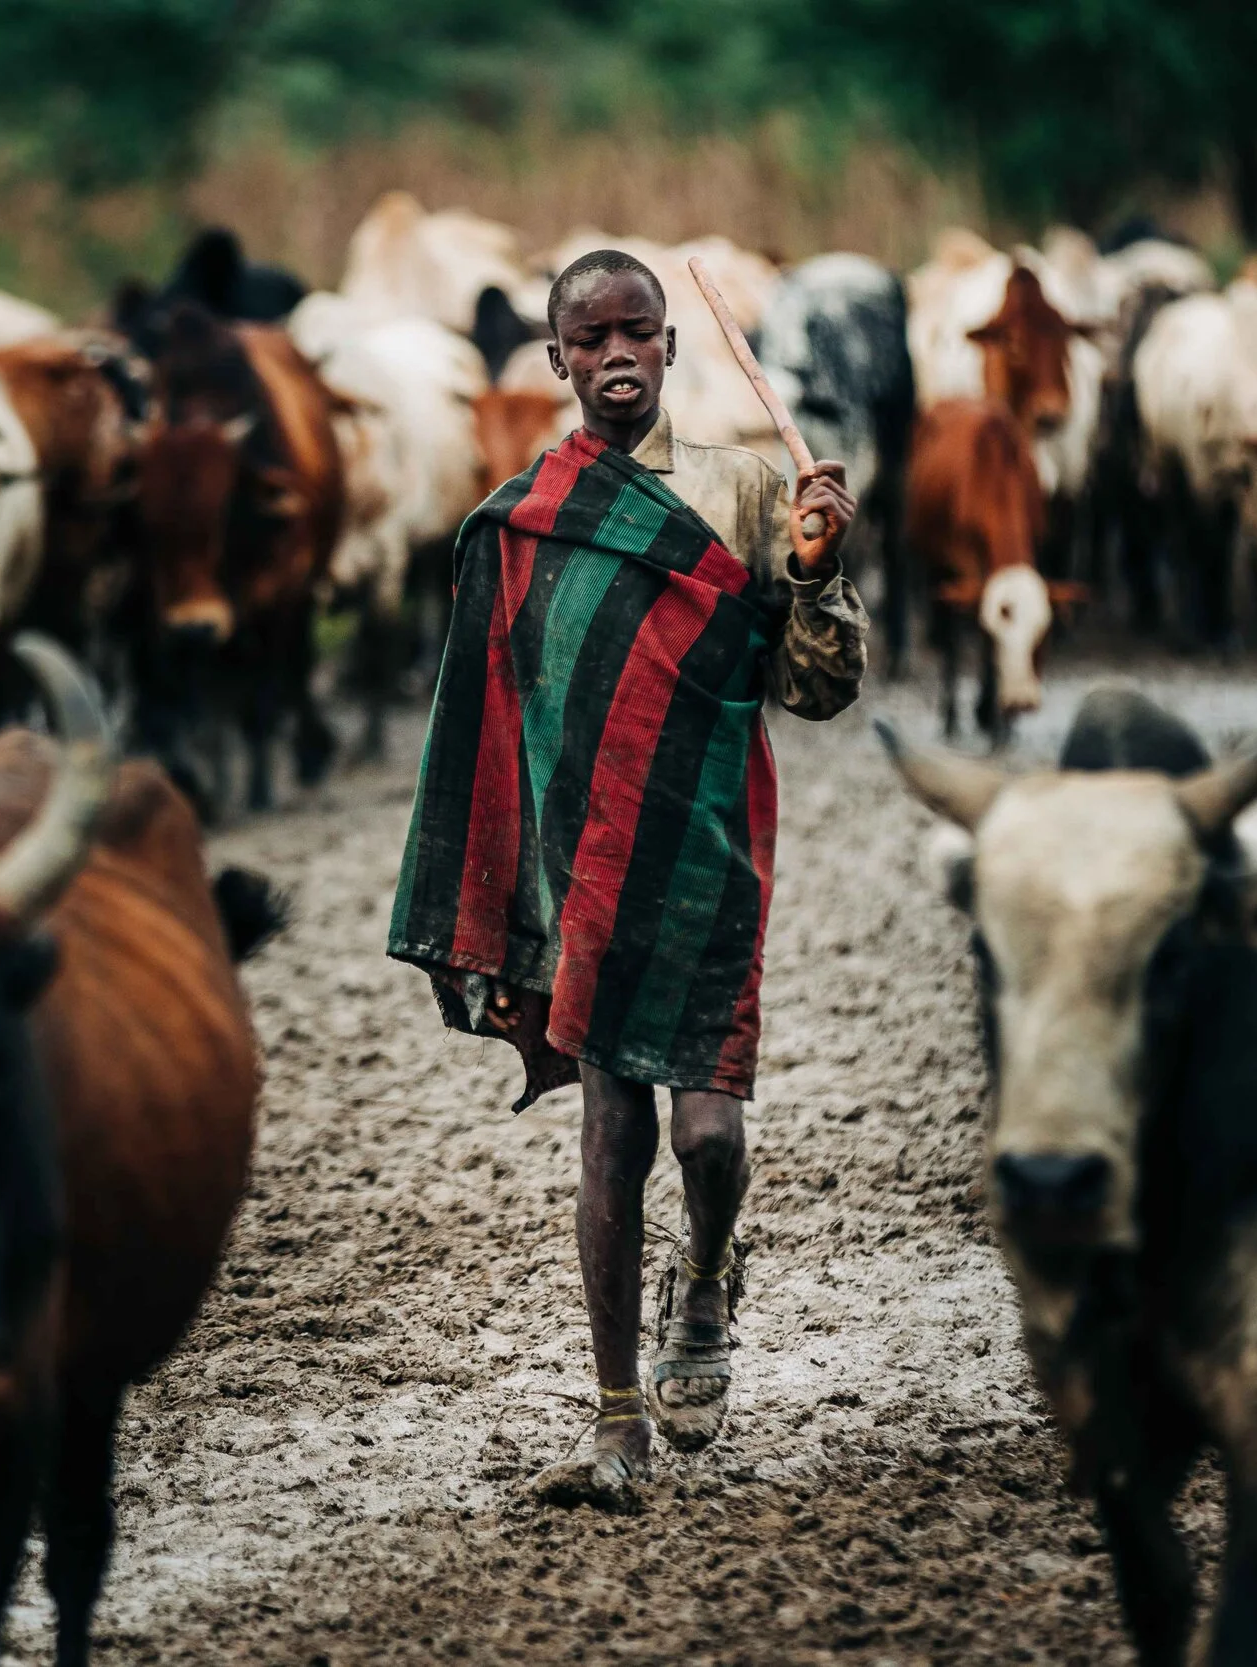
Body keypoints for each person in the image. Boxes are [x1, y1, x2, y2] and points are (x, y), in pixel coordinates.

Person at [387, 248, 865, 1509]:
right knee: (612, 1130)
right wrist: (513, 897)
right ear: (555, 359)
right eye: (588, 336)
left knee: (707, 1134)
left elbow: (816, 688)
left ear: (669, 346)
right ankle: (615, 1428)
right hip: (586, 867)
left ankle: (705, 1281)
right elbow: (498, 723)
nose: (615, 355)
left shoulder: (749, 491)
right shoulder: (518, 521)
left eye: (636, 332)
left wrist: (815, 571)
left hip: (710, 854)